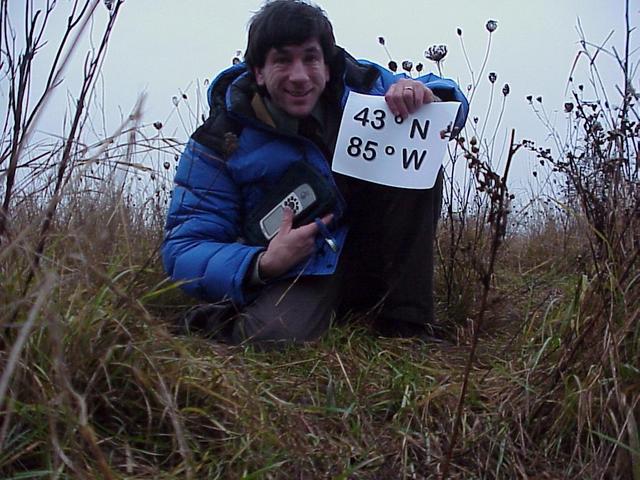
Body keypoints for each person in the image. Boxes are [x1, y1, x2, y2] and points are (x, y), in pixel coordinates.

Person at [162, 0, 468, 346]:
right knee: (274, 336)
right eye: (282, 60)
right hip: (297, 268)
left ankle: (407, 326)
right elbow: (183, 248)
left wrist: (421, 94)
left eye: (310, 58)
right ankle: (219, 318)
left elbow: (449, 106)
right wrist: (261, 264)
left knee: (418, 161)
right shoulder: (217, 142)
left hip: (364, 248)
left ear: (326, 64)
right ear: (258, 71)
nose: (299, 76)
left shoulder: (360, 84)